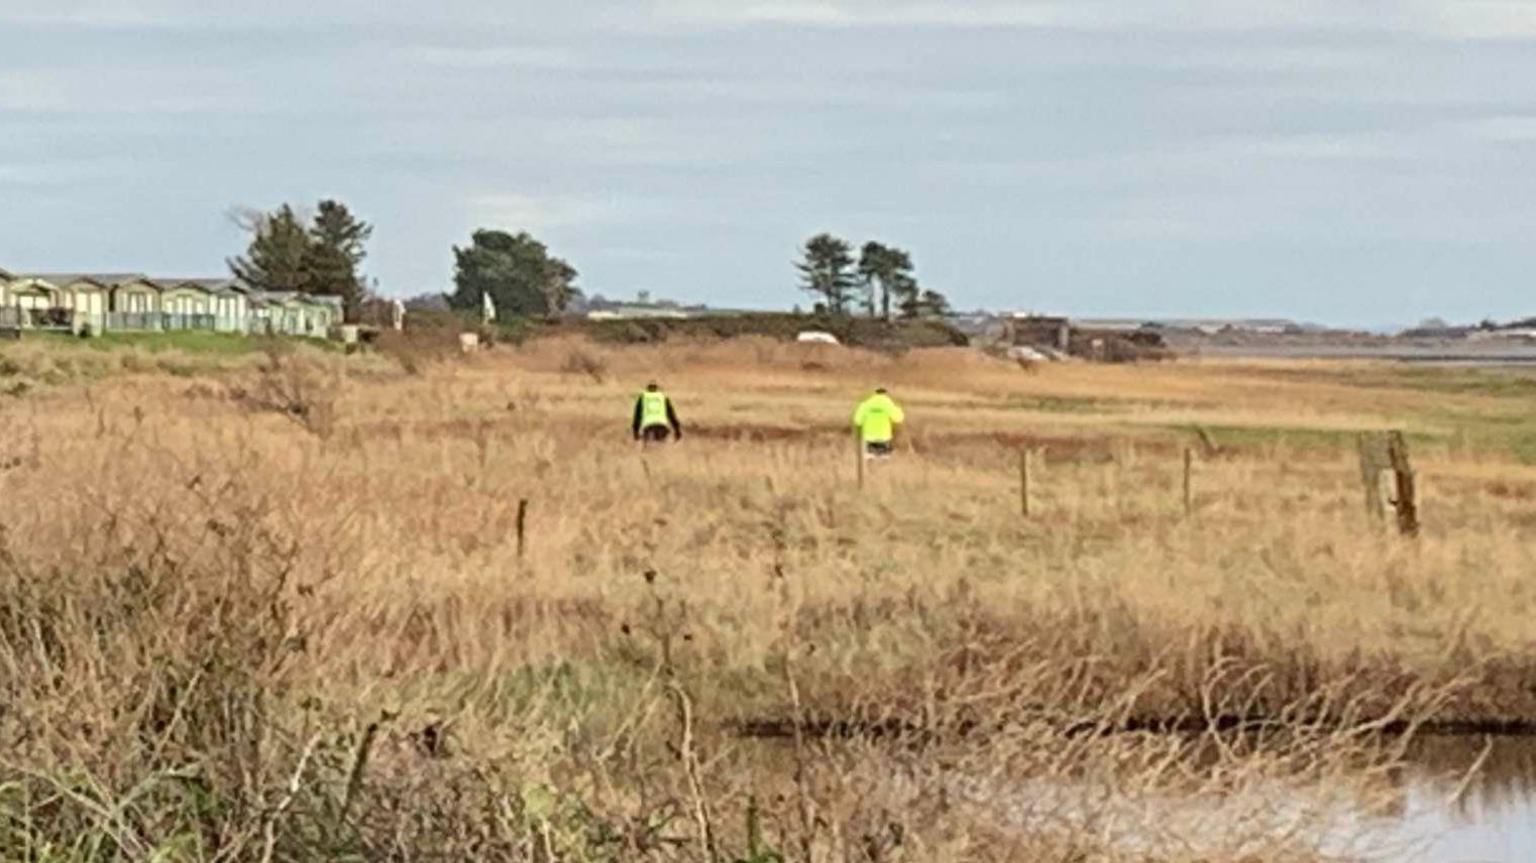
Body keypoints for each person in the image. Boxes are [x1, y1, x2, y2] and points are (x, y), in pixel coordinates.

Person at [852, 387, 904, 458]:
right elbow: (899, 419)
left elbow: (857, 421)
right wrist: (898, 409)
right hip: (884, 438)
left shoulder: (866, 404)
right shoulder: (888, 404)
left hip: (869, 438)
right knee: (882, 466)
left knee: (869, 464)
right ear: (885, 394)